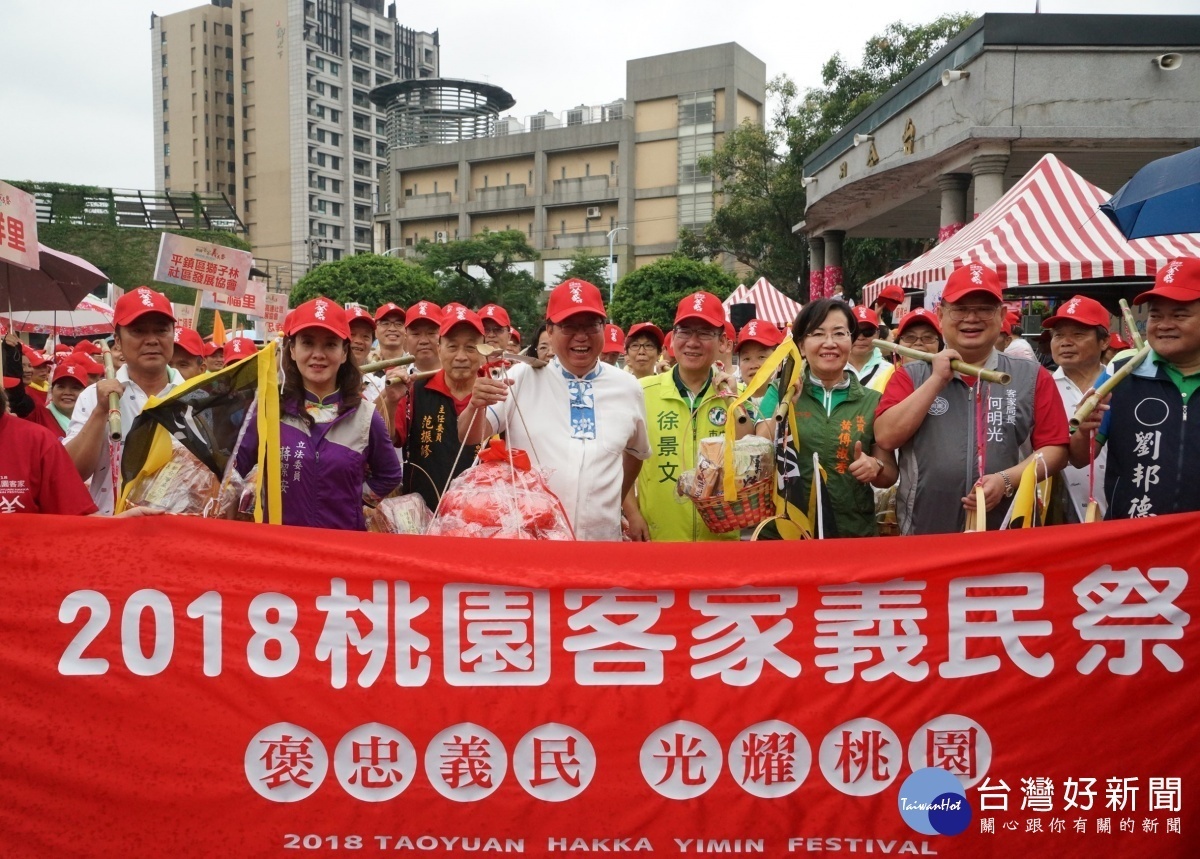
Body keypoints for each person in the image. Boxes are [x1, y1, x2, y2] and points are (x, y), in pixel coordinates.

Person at [875, 263, 1069, 534]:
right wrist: (936, 380)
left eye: (984, 309)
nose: (972, 318)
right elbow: (886, 436)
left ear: (1002, 316)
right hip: (924, 531)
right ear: (941, 315)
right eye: (960, 309)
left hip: (1007, 532)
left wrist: (1007, 480)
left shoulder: (1032, 377)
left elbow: (1056, 450)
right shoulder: (911, 376)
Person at [461, 278, 650, 541]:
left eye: (591, 325)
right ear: (549, 330)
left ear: (604, 328)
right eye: (569, 326)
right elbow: (469, 435)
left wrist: (614, 501)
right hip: (535, 543)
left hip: (602, 543)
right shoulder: (522, 377)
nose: (581, 336)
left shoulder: (627, 387)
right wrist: (475, 405)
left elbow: (636, 453)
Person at [236, 297, 402, 530]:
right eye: (308, 343)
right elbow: (233, 471)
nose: (318, 354)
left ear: (344, 353)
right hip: (280, 550)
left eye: (330, 344)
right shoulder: (268, 410)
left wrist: (356, 500)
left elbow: (390, 475)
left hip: (342, 551)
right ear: (292, 350)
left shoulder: (364, 415)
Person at [755, 298, 898, 538]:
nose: (829, 343)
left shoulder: (873, 400)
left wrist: (876, 467)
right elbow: (761, 443)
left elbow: (889, 473)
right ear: (800, 345)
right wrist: (789, 402)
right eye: (818, 333)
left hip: (851, 533)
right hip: (787, 533)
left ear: (851, 341)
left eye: (839, 333)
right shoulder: (780, 390)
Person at [1070, 258, 1200, 518]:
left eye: (1179, 315)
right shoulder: (1120, 372)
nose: (1164, 324)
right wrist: (1084, 431)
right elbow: (1079, 457)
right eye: (1155, 315)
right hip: (1133, 542)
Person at [625, 292, 740, 542]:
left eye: (704, 333)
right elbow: (617, 461)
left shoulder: (735, 396)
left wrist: (734, 400)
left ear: (722, 341)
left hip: (721, 542)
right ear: (673, 338)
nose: (692, 342)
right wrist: (632, 514)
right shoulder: (641, 392)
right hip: (659, 539)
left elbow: (751, 453)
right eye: (685, 331)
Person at [65, 287, 186, 516]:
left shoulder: (196, 397)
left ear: (173, 335)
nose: (152, 340)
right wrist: (100, 412)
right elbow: (70, 472)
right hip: (112, 530)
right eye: (138, 331)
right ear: (118, 342)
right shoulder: (94, 396)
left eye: (161, 330)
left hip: (180, 532)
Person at [392, 306, 487, 513]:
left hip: (482, 519)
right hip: (423, 517)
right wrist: (389, 402)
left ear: (483, 350)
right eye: (452, 347)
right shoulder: (415, 390)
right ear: (439, 348)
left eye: (471, 347)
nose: (461, 356)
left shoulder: (497, 393)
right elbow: (391, 438)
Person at [1042, 295, 1110, 522]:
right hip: (1059, 517)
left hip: (1119, 512)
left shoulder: (1123, 385)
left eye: (1078, 334)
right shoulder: (1040, 387)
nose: (1065, 342)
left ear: (1104, 342)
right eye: (1059, 335)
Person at [23, 361, 88, 439]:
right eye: (61, 387)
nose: (67, 392)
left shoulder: (93, 419)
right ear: (51, 390)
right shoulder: (37, 415)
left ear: (85, 392)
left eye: (75, 388)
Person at [734, 318, 783, 421]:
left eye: (761, 357)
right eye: (746, 359)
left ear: (779, 362)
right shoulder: (732, 397)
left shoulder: (788, 399)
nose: (753, 365)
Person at [847, 305, 893, 392]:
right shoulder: (832, 368)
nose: (860, 337)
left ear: (878, 334)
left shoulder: (891, 371)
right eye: (855, 331)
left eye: (868, 332)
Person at [346, 305, 384, 401]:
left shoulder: (379, 385)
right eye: (352, 334)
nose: (359, 341)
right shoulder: (326, 382)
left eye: (365, 336)